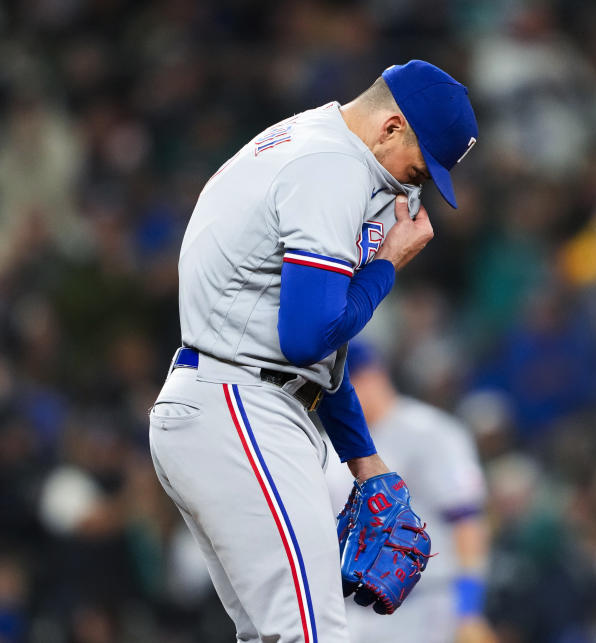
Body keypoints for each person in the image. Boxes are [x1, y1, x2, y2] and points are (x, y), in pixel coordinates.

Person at [147, 60, 479, 643]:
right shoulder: (333, 167)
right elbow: (305, 338)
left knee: (279, 635)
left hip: (229, 398)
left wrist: (362, 459)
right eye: (420, 169)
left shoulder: (312, 141)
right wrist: (385, 268)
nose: (414, 186)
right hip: (241, 406)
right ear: (392, 127)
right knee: (312, 634)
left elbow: (310, 357)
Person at [323, 342, 494, 643]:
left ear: (374, 376)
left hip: (424, 607)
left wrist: (469, 610)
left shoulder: (429, 431)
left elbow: (467, 522)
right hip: (349, 613)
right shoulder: (328, 443)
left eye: (348, 383)